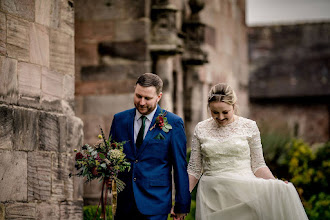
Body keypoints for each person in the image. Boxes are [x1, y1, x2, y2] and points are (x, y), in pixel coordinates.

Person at [187, 83, 309, 220]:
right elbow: (194, 169)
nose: (220, 117)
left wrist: (275, 184)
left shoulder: (249, 126)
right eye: (215, 112)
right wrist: (182, 198)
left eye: (225, 112)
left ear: (234, 106)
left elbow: (258, 165)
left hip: (245, 193)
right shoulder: (201, 128)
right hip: (211, 196)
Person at [109, 73, 191, 220]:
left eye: (147, 98)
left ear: (159, 97)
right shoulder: (119, 120)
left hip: (156, 203)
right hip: (125, 204)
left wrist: (181, 205)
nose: (141, 102)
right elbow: (110, 156)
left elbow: (180, 167)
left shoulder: (173, 123)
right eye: (138, 96)